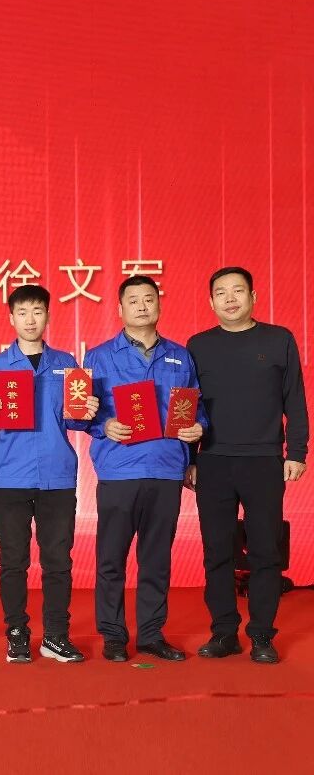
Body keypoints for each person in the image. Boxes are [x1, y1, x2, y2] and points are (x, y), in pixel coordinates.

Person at [187, 266, 307, 664]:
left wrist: (296, 452)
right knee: (217, 551)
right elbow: (187, 406)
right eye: (221, 292)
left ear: (253, 296)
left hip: (264, 461)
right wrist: (189, 459)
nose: (230, 298)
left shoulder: (278, 339)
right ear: (211, 302)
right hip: (213, 461)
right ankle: (224, 633)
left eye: (238, 291)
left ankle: (261, 636)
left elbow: (295, 399)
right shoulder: (198, 345)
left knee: (265, 551)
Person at [84, 275, 205, 663]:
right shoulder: (99, 356)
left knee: (156, 559)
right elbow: (81, 411)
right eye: (133, 300)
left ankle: (151, 634)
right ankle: (113, 635)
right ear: (119, 309)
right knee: (111, 559)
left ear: (159, 305)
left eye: (148, 299)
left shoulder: (180, 356)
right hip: (119, 469)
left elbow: (197, 406)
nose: (141, 306)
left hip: (166, 469)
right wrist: (103, 425)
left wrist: (199, 428)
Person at [0, 285, 97, 664]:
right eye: (23, 312)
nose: (30, 320)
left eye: (38, 311)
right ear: (11, 318)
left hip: (56, 475)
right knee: (13, 561)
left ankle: (56, 636)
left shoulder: (66, 364)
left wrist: (87, 411)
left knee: (58, 561)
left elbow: (76, 420)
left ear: (47, 315)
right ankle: (16, 634)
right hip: (9, 476)